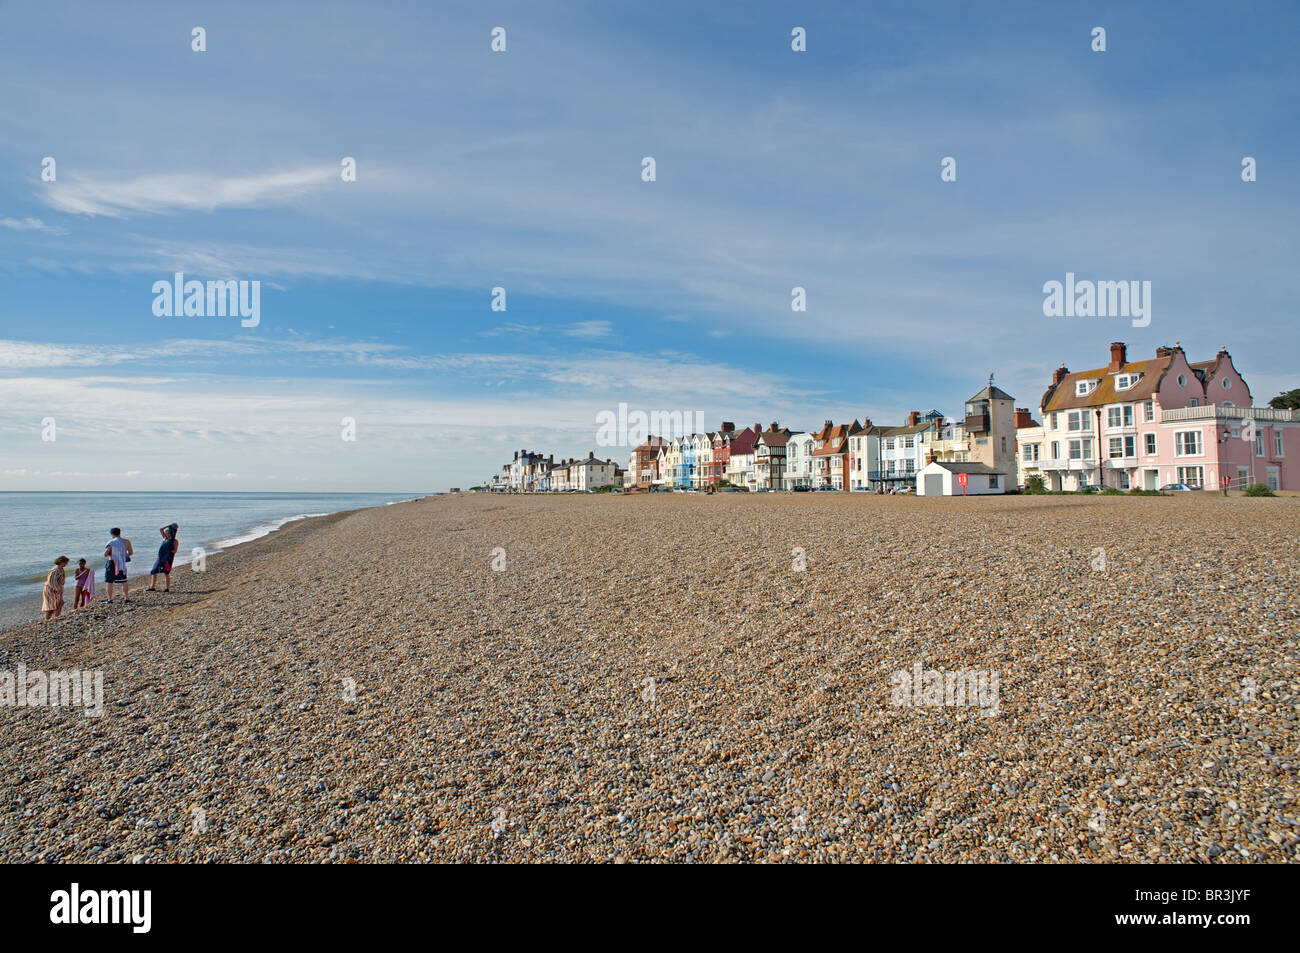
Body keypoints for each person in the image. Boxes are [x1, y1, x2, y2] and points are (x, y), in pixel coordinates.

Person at [104, 527, 133, 603]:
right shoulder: (126, 542)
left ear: (112, 534)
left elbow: (105, 554)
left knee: (109, 581)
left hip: (112, 562)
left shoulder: (111, 542)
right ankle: (126, 598)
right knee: (124, 581)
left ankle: (110, 599)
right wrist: (123, 554)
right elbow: (131, 552)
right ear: (120, 533)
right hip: (121, 563)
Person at [149, 523, 179, 592]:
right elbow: (161, 529)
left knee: (166, 572)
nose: (166, 534)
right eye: (166, 533)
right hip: (160, 557)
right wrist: (169, 525)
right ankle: (152, 587)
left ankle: (167, 588)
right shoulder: (165, 539)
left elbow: (175, 551)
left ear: (171, 534)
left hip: (167, 559)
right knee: (153, 571)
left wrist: (169, 550)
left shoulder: (174, 541)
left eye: (167, 533)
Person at [42, 556, 69, 620]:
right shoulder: (55, 570)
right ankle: (51, 618)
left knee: (58, 603)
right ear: (61, 562)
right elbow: (51, 581)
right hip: (50, 590)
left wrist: (61, 588)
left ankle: (56, 617)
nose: (66, 564)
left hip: (56, 589)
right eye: (66, 562)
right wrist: (58, 589)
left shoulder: (61, 569)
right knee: (52, 606)